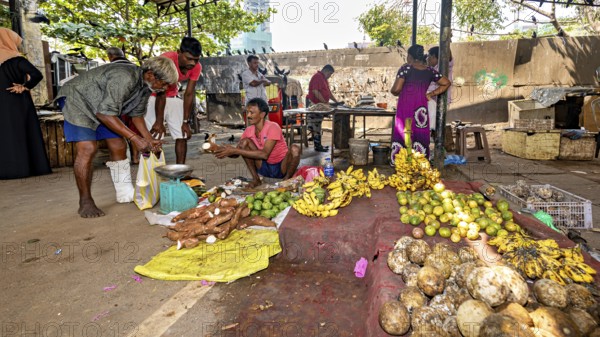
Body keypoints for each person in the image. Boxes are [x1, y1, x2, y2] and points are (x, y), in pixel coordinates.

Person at [57, 56, 178, 218]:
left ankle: (124, 192)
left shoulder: (146, 87)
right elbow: (105, 114)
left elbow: (136, 116)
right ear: (150, 75)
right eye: (163, 83)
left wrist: (148, 140)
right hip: (78, 100)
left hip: (102, 107)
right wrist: (135, 139)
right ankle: (85, 201)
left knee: (119, 145)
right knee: (88, 148)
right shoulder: (124, 76)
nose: (164, 88)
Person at [214, 98, 301, 188]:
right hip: (263, 167)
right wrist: (222, 150)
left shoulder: (273, 127)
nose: (248, 115)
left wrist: (235, 150)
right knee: (245, 142)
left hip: (281, 167)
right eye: (247, 112)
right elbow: (236, 154)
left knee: (295, 148)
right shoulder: (248, 130)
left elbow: (264, 154)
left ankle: (286, 181)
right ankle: (256, 179)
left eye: (252, 112)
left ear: (262, 114)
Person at [0, 28, 52, 179]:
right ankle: (26, 169)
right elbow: (37, 74)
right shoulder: (17, 60)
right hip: (17, 101)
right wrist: (25, 87)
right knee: (21, 132)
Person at [145, 37, 202, 164]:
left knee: (182, 134)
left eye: (196, 60)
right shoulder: (167, 59)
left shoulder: (197, 67)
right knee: (155, 134)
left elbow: (189, 94)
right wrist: (159, 122)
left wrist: (186, 121)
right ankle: (153, 168)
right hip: (155, 97)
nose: (192, 63)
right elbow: (160, 91)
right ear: (179, 52)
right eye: (189, 58)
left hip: (172, 96)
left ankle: (180, 170)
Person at [390, 44, 450, 162]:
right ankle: (420, 163)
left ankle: (402, 163)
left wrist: (393, 90)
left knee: (403, 133)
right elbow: (446, 83)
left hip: (405, 107)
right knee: (420, 133)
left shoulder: (405, 69)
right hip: (421, 109)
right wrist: (430, 94)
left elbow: (396, 90)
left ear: (410, 56)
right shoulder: (430, 71)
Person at [306, 64, 339, 152]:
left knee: (318, 125)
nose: (330, 76)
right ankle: (318, 146)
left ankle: (319, 145)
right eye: (330, 74)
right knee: (316, 126)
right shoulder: (317, 77)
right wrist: (324, 102)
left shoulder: (324, 79)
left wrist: (336, 101)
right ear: (327, 71)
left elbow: (328, 92)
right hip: (316, 105)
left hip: (321, 105)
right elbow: (315, 91)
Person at [426, 46, 454, 134]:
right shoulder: (431, 69)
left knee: (436, 126)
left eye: (429, 56)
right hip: (431, 100)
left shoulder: (445, 66)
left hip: (440, 101)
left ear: (434, 57)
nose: (427, 58)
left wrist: (447, 39)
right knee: (431, 126)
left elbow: (448, 57)